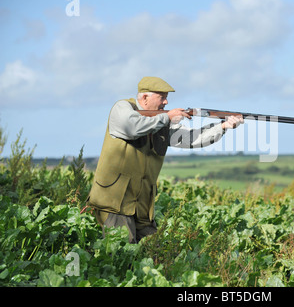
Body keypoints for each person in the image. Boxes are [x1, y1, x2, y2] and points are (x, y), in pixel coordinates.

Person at [86, 76, 243, 243]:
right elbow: (132, 127)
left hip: (142, 206)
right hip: (116, 201)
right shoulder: (122, 108)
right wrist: (167, 118)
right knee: (121, 253)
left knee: (152, 251)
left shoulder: (161, 121)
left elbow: (191, 138)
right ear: (145, 97)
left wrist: (223, 127)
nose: (167, 102)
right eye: (162, 97)